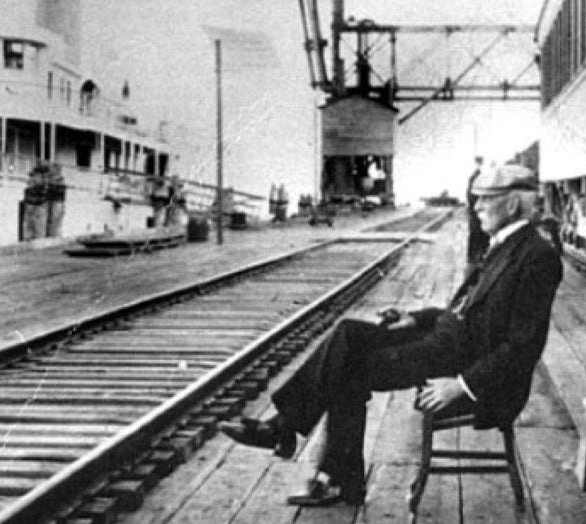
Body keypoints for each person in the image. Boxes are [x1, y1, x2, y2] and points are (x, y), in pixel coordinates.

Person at [218, 164, 563, 506]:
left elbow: (523, 347)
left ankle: (305, 450)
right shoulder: (502, 245)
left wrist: (460, 384)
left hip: (468, 370)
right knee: (348, 334)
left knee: (347, 367)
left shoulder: (537, 257)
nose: (476, 208)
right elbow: (467, 313)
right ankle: (297, 441)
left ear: (514, 205)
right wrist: (414, 318)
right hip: (445, 345)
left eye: (486, 200)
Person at [466, 156, 490, 277]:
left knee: (478, 234)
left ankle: (476, 257)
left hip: (476, 212)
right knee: (477, 233)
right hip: (476, 212)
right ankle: (475, 258)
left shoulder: (475, 177)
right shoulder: (476, 177)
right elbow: (472, 197)